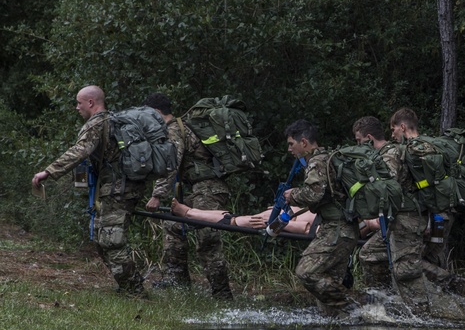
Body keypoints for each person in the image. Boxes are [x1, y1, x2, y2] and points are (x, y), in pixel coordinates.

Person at [32, 85, 146, 295]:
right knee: (102, 239)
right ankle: (128, 286)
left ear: (91, 103)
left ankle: (135, 291)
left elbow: (79, 151)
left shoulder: (97, 123)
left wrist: (48, 172)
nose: (77, 107)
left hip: (118, 189)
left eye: (79, 103)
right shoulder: (112, 120)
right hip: (119, 187)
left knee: (111, 240)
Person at [143, 93, 232, 298]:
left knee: (206, 236)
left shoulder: (174, 130)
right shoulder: (176, 128)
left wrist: (157, 195)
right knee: (173, 225)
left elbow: (170, 164)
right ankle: (178, 284)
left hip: (209, 189)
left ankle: (222, 295)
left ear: (156, 112)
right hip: (198, 189)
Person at [388, 108, 465, 318]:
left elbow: (428, 190)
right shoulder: (431, 144)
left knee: (412, 261)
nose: (392, 135)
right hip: (445, 213)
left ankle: (454, 285)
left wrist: (429, 221)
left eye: (393, 129)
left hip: (436, 216)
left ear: (403, 127)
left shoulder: (416, 151)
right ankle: (450, 307)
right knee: (433, 256)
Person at [282, 119, 360, 315]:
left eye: (292, 144)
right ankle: (340, 329)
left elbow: (313, 193)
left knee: (306, 271)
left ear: (304, 142)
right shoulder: (328, 158)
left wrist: (293, 195)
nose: (290, 150)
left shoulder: (317, 161)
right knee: (327, 294)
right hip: (343, 228)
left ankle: (357, 309)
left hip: (337, 229)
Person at [169, 198, 318, 235]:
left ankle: (189, 213)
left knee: (236, 221)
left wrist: (271, 224)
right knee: (236, 217)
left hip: (286, 222)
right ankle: (191, 211)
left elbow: (307, 230)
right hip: (289, 214)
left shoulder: (335, 226)